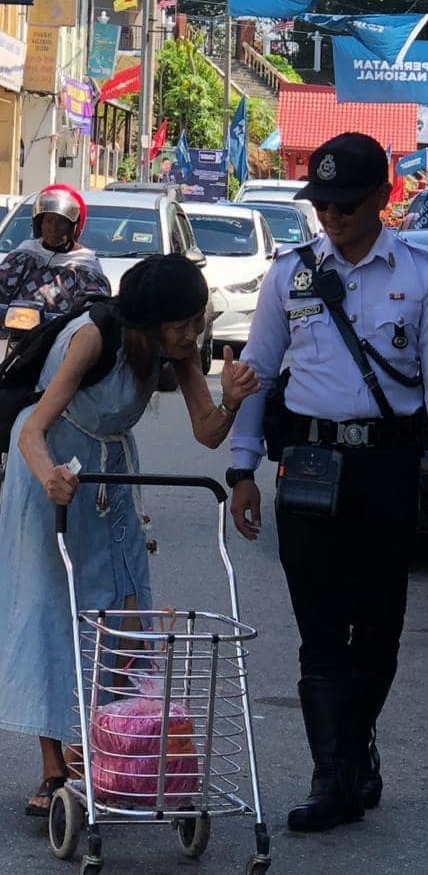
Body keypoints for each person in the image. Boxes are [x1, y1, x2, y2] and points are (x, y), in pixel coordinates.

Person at [226, 132, 428, 832]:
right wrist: (242, 467)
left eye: (346, 204)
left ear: (384, 199)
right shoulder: (291, 275)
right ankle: (333, 775)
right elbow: (257, 374)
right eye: (322, 204)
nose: (331, 217)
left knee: (382, 627)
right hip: (308, 466)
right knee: (320, 626)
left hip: (388, 470)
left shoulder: (420, 276)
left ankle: (355, 745)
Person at [0, 253, 259, 816]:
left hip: (110, 468)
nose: (193, 334)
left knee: (122, 606)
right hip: (53, 465)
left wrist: (233, 401)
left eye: (198, 320)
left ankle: (105, 749)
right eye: (183, 323)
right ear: (148, 321)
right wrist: (51, 480)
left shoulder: (177, 350)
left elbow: (208, 433)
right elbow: (33, 431)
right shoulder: (92, 340)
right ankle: (56, 771)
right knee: (55, 606)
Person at [0, 184, 110, 312]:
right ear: (39, 224)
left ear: (74, 227)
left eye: (61, 222)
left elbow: (94, 305)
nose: (53, 228)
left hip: (63, 330)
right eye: (48, 220)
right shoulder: (23, 256)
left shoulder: (86, 267)